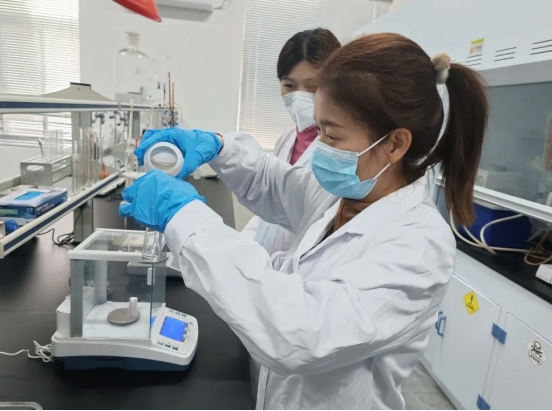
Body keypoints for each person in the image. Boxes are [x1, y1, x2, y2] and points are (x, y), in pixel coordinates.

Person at [122, 32, 488, 409]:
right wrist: (218, 147)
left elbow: (299, 333)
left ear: (395, 144)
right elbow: (276, 184)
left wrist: (186, 219)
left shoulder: (419, 245)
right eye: (319, 130)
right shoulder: (347, 193)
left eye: (332, 135)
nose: (318, 147)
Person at [242, 28, 341, 257]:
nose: (299, 96)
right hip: (265, 262)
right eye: (289, 86)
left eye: (312, 86)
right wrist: (240, 247)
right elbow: (268, 209)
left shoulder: (341, 150)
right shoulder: (285, 140)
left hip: (303, 267)